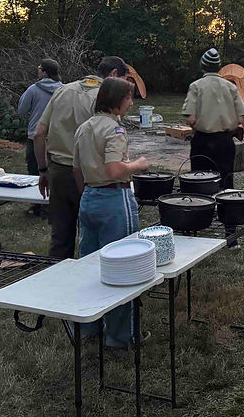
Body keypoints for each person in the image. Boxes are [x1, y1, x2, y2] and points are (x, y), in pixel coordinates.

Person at [72, 77, 148, 349]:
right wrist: (138, 164)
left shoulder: (84, 128)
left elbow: (77, 169)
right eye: (128, 98)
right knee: (122, 267)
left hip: (89, 198)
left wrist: (88, 193)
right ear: (116, 100)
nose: (131, 103)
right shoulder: (115, 130)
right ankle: (121, 336)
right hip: (114, 199)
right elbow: (115, 169)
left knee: (90, 264)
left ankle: (88, 326)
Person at [34, 55, 128, 258]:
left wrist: (42, 170)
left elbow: (39, 133)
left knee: (60, 235)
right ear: (114, 74)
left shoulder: (62, 90)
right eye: (124, 80)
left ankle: (56, 273)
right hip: (91, 175)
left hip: (58, 170)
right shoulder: (106, 100)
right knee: (96, 237)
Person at [183, 48, 244, 246]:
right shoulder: (230, 87)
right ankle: (231, 234)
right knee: (226, 184)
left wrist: (200, 125)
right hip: (224, 141)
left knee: (199, 183)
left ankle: (198, 228)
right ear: (219, 67)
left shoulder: (196, 86)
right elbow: (240, 118)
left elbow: (190, 118)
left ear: (203, 66)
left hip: (202, 141)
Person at [18, 59, 63, 217]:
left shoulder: (33, 89)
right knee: (56, 170)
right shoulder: (65, 90)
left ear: (44, 72)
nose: (38, 71)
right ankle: (54, 205)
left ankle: (37, 205)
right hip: (58, 136)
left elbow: (22, 111)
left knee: (35, 170)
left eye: (39, 69)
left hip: (36, 135)